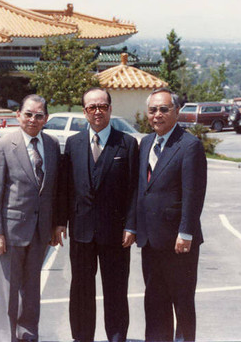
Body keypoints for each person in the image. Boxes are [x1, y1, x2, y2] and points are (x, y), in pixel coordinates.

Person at [55, 87, 139, 342]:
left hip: (116, 233)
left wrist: (132, 225)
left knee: (115, 291)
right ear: (84, 112)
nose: (97, 111)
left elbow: (135, 189)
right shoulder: (73, 143)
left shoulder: (126, 143)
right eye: (92, 107)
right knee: (80, 291)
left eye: (102, 106)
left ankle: (116, 337)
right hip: (81, 233)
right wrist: (60, 222)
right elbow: (64, 187)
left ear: (110, 109)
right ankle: (82, 338)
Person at [0, 94, 62, 342]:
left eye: (39, 115)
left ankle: (28, 333)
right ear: (18, 115)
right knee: (9, 289)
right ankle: (6, 336)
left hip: (40, 231)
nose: (33, 119)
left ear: (46, 119)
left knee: (32, 288)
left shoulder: (51, 145)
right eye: (28, 114)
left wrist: (54, 226)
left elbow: (54, 190)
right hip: (10, 231)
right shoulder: (4, 145)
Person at [136, 88, 207, 342]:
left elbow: (194, 194)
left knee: (183, 302)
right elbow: (142, 190)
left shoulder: (189, 146)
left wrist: (185, 232)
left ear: (176, 112)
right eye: (153, 110)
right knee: (154, 301)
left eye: (164, 109)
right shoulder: (145, 143)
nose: (157, 115)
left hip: (179, 243)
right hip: (150, 241)